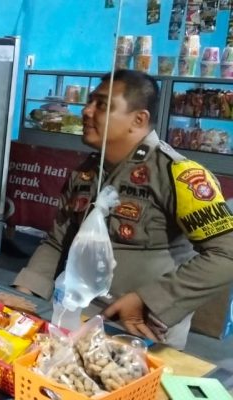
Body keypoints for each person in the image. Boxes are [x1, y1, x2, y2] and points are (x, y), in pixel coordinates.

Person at [13, 70, 233, 349]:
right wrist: (25, 293)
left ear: (138, 119)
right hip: (72, 319)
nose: (86, 111)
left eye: (102, 105)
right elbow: (58, 241)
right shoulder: (87, 172)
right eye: (90, 102)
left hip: (138, 329)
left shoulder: (178, 174)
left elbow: (227, 253)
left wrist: (150, 300)